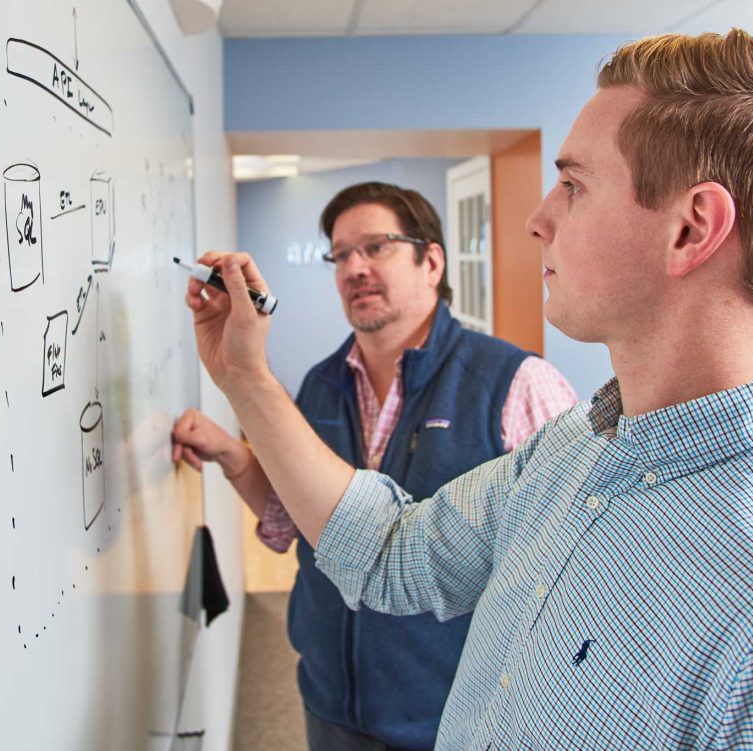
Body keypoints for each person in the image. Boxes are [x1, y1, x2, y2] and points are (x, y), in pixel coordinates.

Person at [183, 30, 753, 750]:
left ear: (690, 229)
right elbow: (390, 552)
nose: (539, 219)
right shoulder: (578, 443)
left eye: (573, 185)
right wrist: (244, 378)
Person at [173, 182, 576, 750]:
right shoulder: (320, 384)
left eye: (376, 247)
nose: (353, 268)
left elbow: (558, 584)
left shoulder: (517, 386)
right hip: (331, 701)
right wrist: (235, 455)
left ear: (431, 260)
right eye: (340, 255)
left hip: (452, 717)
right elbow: (295, 521)